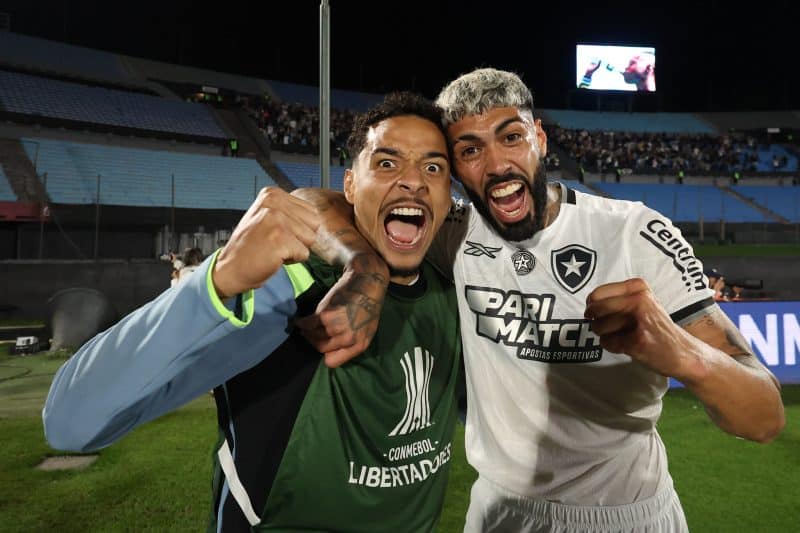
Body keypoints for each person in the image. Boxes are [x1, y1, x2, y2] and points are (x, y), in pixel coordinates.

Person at [294, 68, 784, 533]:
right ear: (457, 171)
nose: (497, 164)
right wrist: (367, 264)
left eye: (512, 137)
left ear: (540, 139)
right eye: (469, 150)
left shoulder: (634, 233)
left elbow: (764, 417)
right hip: (501, 513)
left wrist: (680, 352)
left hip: (632, 515)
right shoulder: (454, 235)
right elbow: (316, 203)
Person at [43, 92, 461, 532]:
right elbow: (72, 422)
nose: (414, 181)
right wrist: (218, 283)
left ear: (448, 195)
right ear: (350, 185)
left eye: (433, 168)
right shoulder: (292, 288)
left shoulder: (452, 291)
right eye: (387, 163)